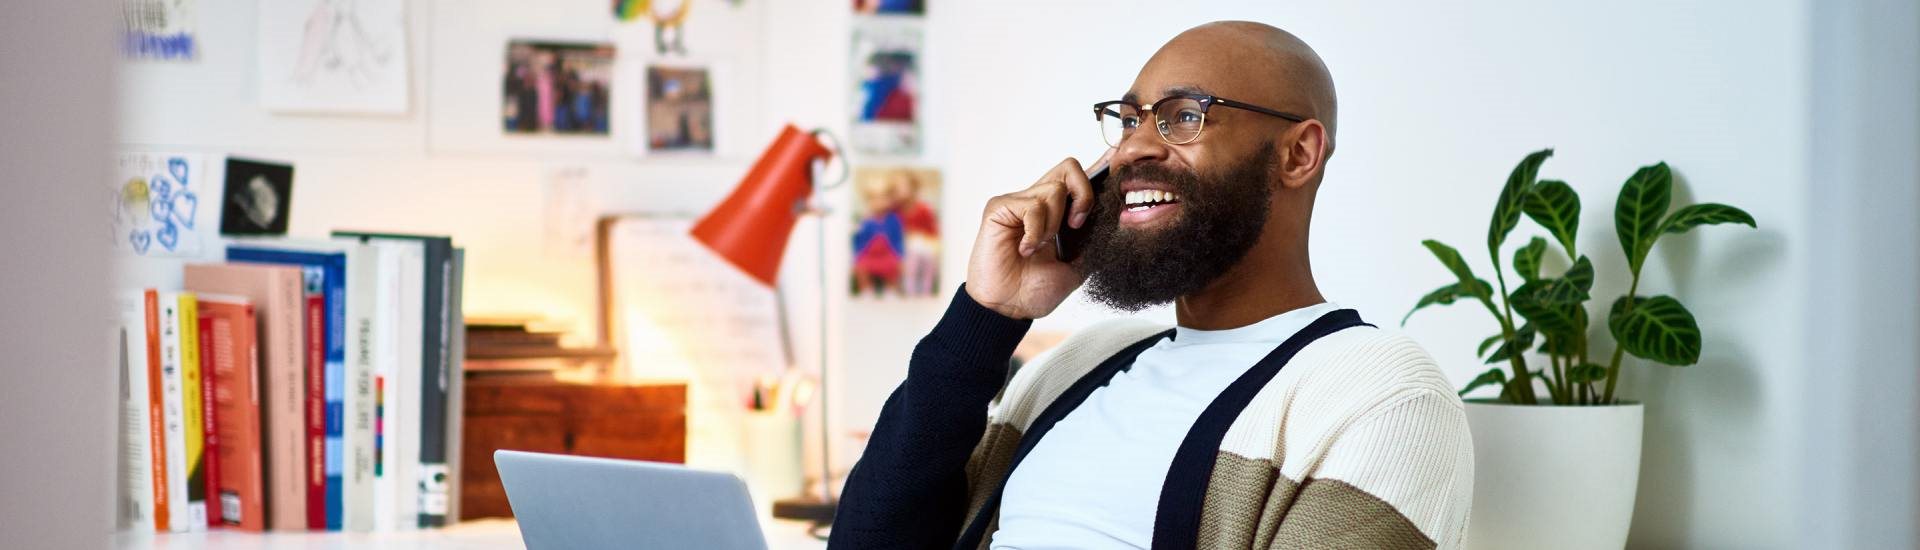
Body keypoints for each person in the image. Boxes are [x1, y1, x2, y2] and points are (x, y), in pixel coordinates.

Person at [830, 21, 1473, 550]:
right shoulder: (1080, 365)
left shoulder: (1382, 397)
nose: (1134, 147)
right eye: (1130, 118)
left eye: (1184, 116)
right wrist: (988, 315)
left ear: (1298, 155)